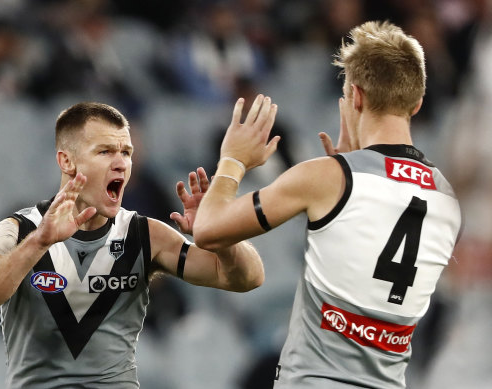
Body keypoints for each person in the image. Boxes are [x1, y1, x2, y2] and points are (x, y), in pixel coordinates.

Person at [193, 21, 462, 388]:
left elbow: (207, 229)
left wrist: (233, 160)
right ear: (416, 103)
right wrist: (351, 174)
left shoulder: (326, 178)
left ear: (356, 96)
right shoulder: (446, 198)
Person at [0, 102, 265, 388]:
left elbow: (247, 278)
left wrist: (218, 232)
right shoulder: (16, 230)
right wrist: (39, 242)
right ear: (67, 161)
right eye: (104, 152)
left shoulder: (146, 236)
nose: (121, 164)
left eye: (126, 153)